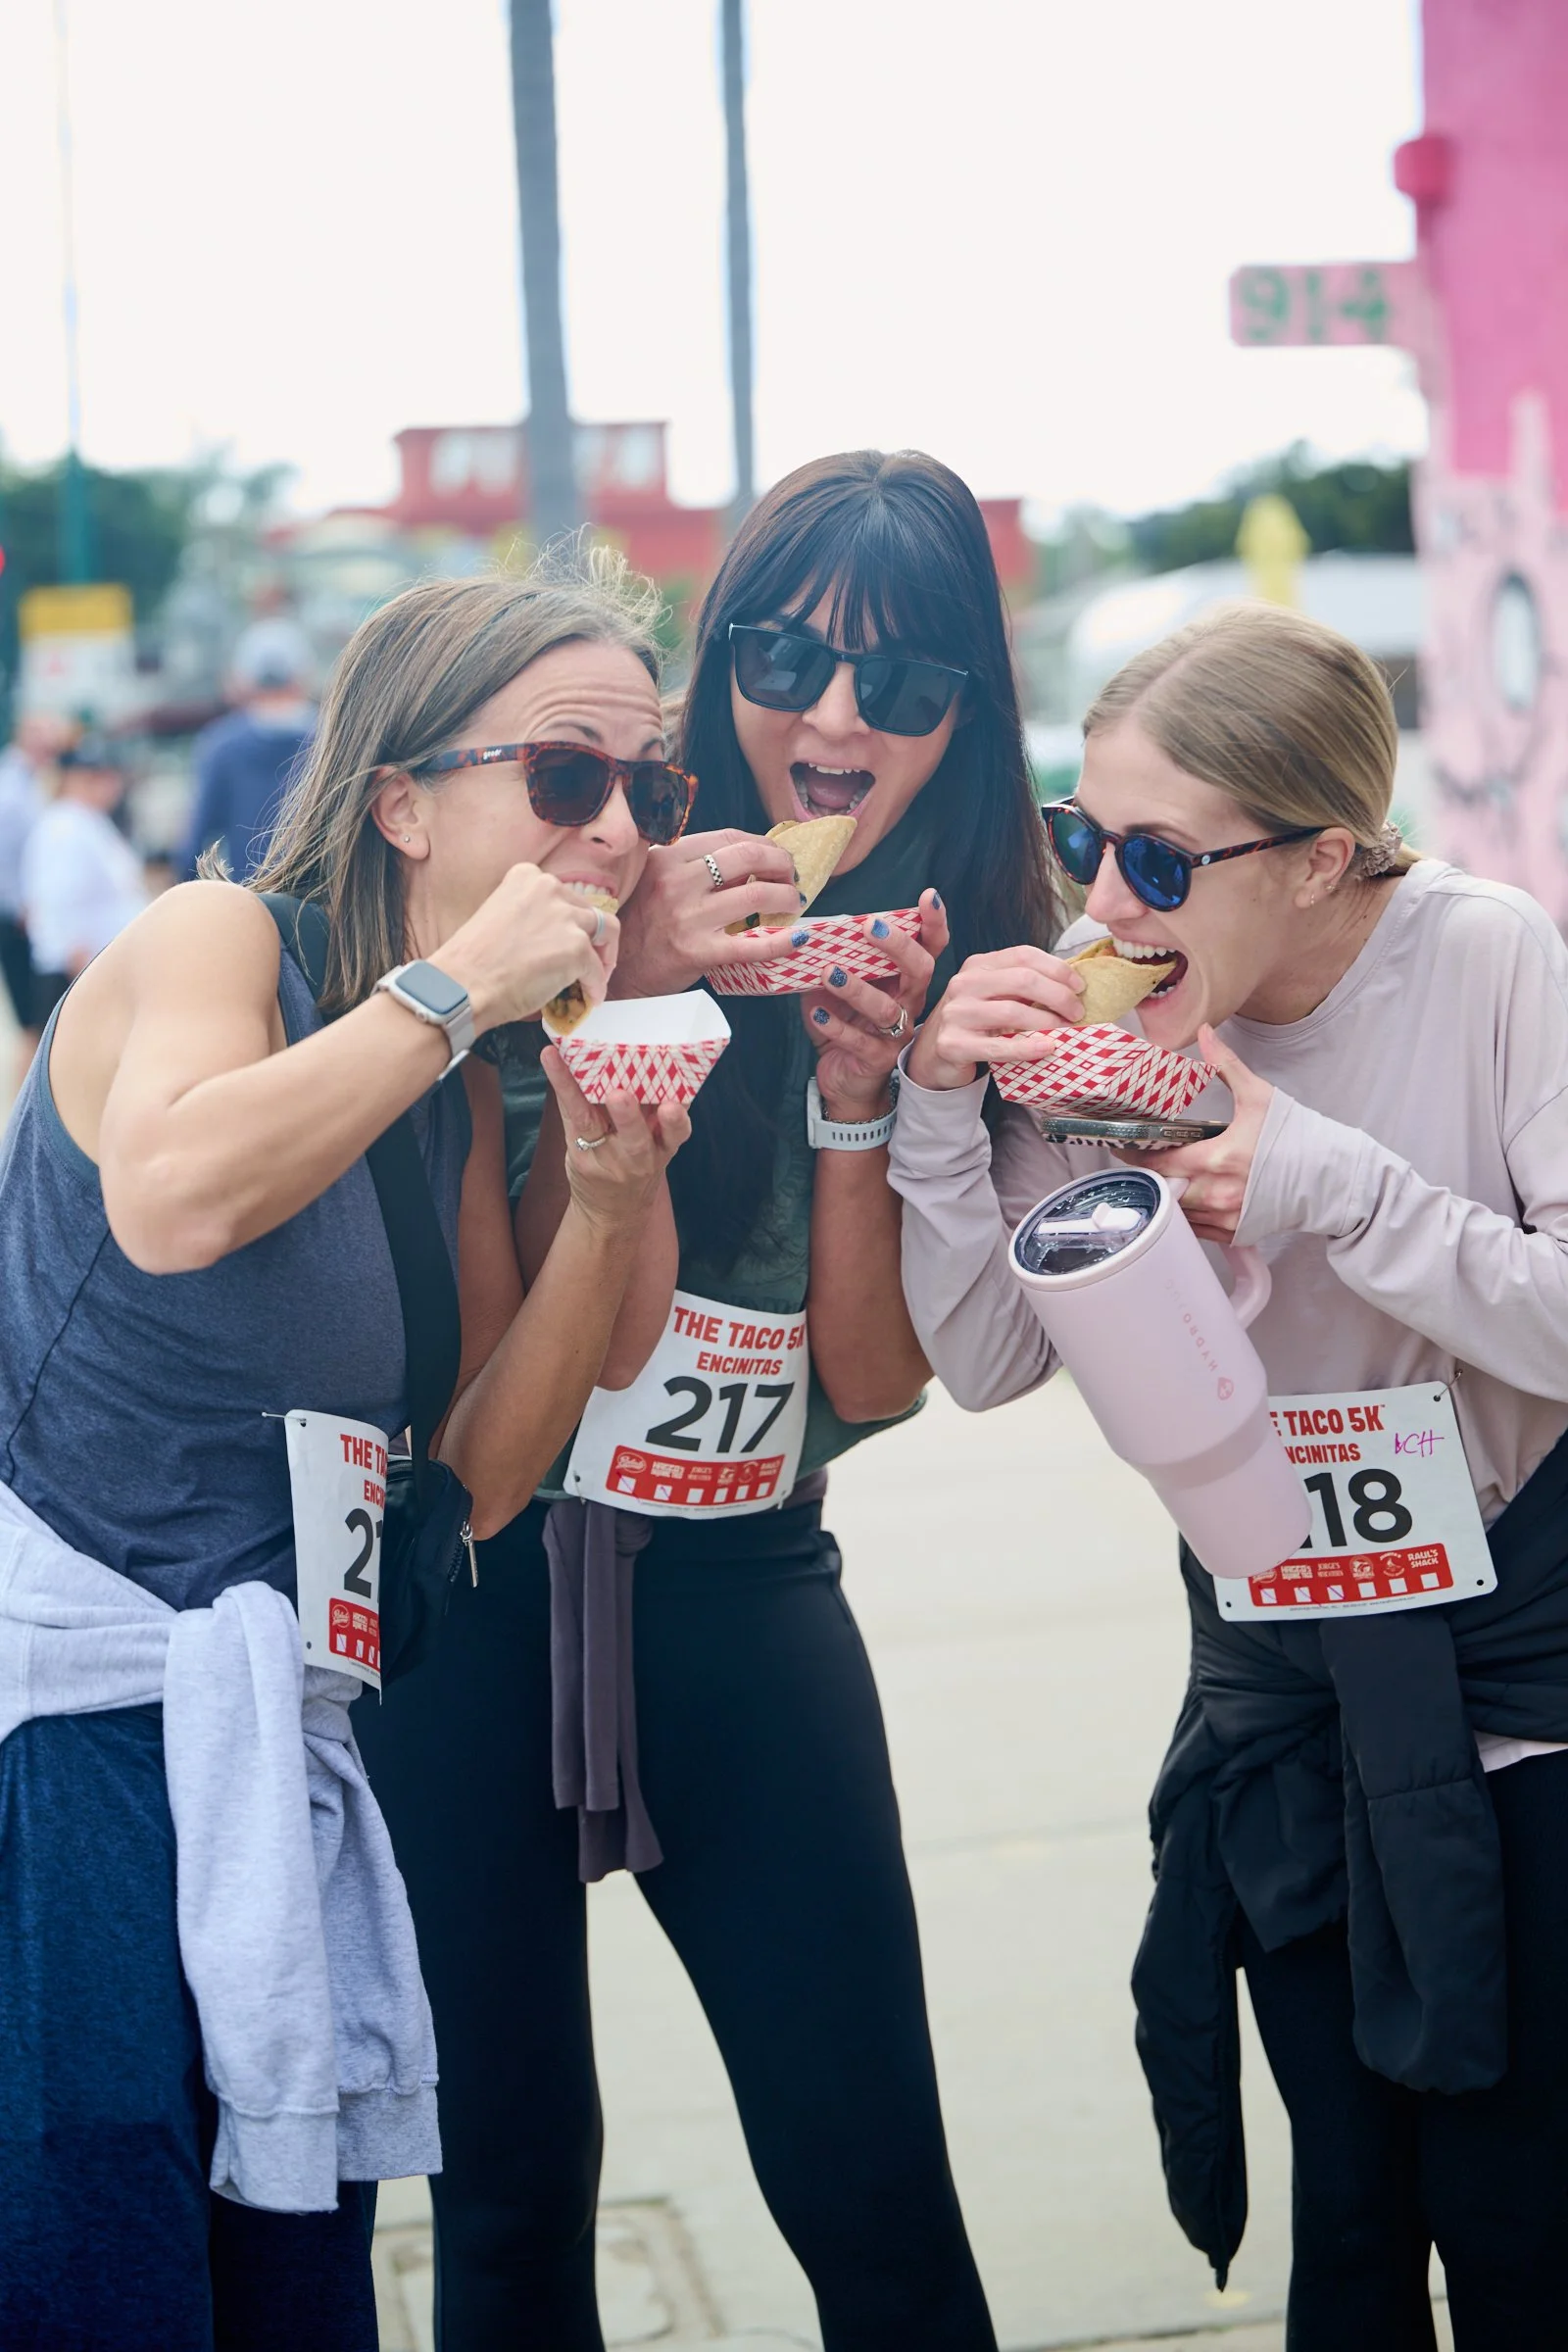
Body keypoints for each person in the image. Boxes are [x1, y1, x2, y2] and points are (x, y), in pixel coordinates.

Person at [356, 450, 1058, 2350]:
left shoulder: (976, 953)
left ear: (964, 718)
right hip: (478, 1596)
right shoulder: (580, 863)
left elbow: (875, 1380)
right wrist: (634, 989)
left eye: (900, 682)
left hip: (744, 1581)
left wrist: (860, 1101)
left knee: (874, 2187)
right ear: (717, 664)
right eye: (785, 660)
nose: (834, 721)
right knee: (506, 2204)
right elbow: (510, 1328)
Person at [0, 551, 695, 2350]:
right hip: (74, 1741)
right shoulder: (220, 943)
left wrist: (606, 1196)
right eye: (568, 774)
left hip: (277, 1739)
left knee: (285, 2282)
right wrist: (457, 993)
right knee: (100, 2268)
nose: (621, 829)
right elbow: (170, 1198)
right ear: (402, 802)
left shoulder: (448, 1087)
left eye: (651, 784)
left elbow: (481, 1473)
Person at [887, 602, 1568, 2352]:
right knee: (1346, 2216)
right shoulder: (1094, 1028)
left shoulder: (1491, 960)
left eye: (1161, 860)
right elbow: (991, 1355)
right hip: (1281, 1672)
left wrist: (1318, 1179)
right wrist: (942, 1111)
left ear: (1325, 856)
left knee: (1521, 2216)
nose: (1107, 904)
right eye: (1083, 839)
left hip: (1522, 1672)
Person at [21, 732, 150, 1032]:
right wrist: (82, 966)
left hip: (98, 964)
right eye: (96, 777)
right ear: (72, 780)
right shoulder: (65, 825)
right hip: (78, 967)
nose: (110, 785)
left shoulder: (87, 820)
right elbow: (60, 900)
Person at [179, 613, 317, 880]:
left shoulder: (222, 745)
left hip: (249, 895)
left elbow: (195, 843)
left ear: (244, 680)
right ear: (303, 675)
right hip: (323, 896)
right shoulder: (331, 737)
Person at [0, 711, 68, 1073]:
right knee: (32, 1024)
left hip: (31, 916)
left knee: (38, 1024)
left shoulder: (35, 781)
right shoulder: (11, 786)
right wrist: (22, 907)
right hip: (17, 919)